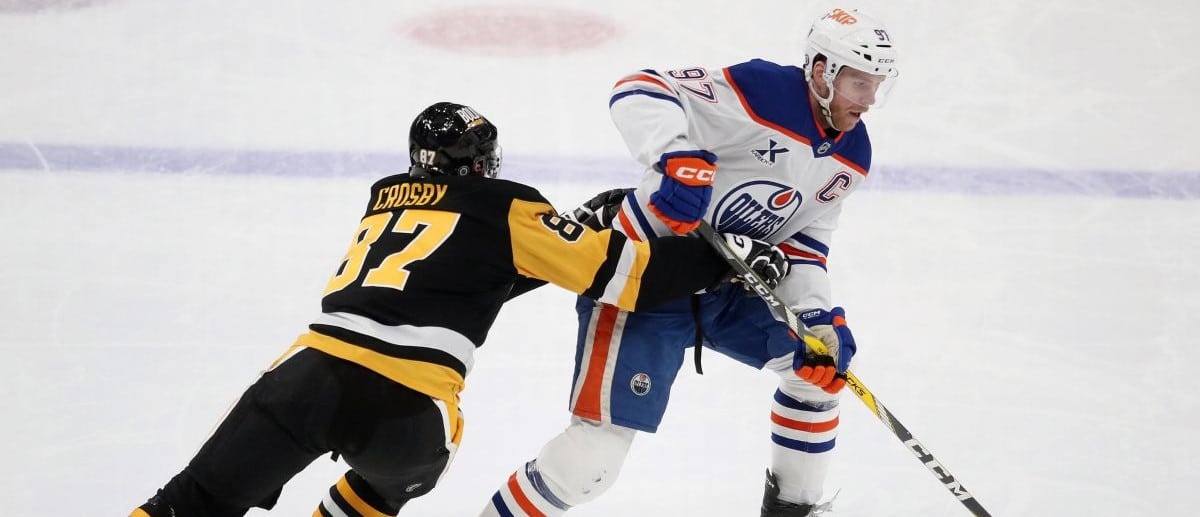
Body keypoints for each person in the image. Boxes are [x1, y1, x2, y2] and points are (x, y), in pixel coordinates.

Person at [130, 101, 790, 517]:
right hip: (408, 411)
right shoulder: (502, 203)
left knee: (188, 503)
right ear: (479, 163)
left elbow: (459, 277)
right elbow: (626, 279)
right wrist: (722, 256)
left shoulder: (384, 197)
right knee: (391, 483)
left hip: (306, 376)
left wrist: (575, 227)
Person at [481, 7, 899, 516]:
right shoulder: (763, 91)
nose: (870, 100)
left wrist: (815, 317)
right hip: (643, 280)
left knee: (809, 376)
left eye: (877, 84)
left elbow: (804, 242)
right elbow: (638, 89)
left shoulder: (852, 155)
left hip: (730, 286)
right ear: (821, 73)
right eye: (860, 83)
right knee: (593, 460)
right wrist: (675, 156)